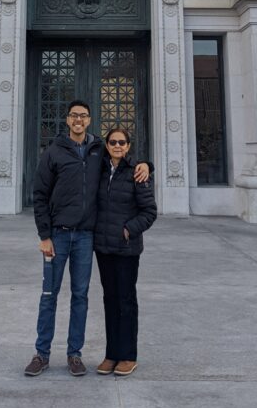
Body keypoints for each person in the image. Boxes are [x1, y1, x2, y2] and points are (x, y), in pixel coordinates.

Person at [24, 101, 150, 377]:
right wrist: (44, 235)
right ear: (67, 120)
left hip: (85, 238)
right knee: (49, 295)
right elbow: (40, 194)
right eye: (73, 116)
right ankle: (41, 354)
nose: (78, 120)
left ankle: (74, 354)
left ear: (90, 120)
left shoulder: (97, 152)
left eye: (83, 116)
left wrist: (145, 164)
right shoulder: (54, 152)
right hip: (57, 236)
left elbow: (125, 163)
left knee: (80, 296)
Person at [93, 125, 157, 376]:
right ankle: (111, 354)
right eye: (113, 142)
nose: (117, 146)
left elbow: (149, 212)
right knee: (110, 300)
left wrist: (128, 230)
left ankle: (128, 355)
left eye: (122, 142)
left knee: (126, 300)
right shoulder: (99, 171)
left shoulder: (137, 173)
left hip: (127, 249)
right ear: (106, 146)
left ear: (129, 146)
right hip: (103, 248)